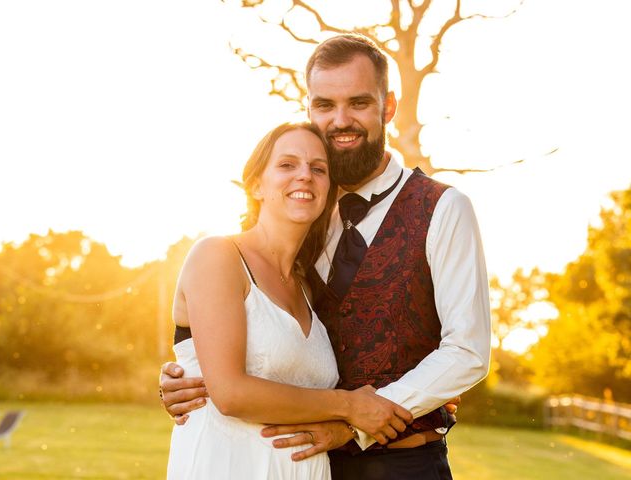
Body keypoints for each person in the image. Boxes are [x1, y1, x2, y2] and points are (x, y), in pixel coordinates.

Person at [162, 34, 491, 479]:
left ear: (388, 107)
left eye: (358, 102)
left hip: (403, 464)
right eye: (324, 105)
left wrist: (356, 423)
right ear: (310, 108)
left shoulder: (444, 208)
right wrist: (188, 374)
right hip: (306, 463)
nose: (341, 120)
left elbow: (467, 351)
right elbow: (255, 333)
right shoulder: (304, 211)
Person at [166, 121, 414, 479]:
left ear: (329, 189)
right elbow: (230, 393)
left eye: (318, 168)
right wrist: (349, 405)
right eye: (287, 165)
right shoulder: (217, 255)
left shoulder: (310, 286)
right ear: (256, 184)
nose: (304, 176)